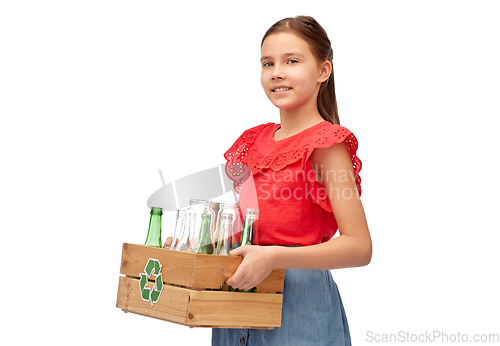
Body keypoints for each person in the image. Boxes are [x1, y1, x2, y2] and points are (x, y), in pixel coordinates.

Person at [213, 16, 372, 346]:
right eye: (267, 63)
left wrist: (275, 258)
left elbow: (359, 247)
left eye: (292, 61)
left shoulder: (327, 144)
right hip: (236, 302)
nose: (277, 72)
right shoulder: (252, 141)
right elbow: (252, 228)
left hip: (298, 309)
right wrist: (200, 245)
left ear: (323, 71)